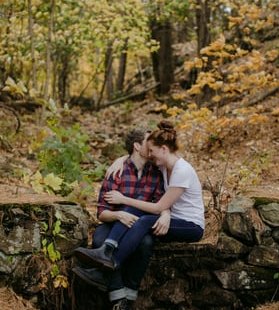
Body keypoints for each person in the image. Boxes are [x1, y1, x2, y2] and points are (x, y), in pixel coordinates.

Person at [74, 120, 205, 282]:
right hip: (171, 219)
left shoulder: (182, 170)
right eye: (148, 150)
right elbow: (136, 157)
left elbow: (158, 207)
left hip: (190, 225)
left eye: (152, 151)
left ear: (163, 149)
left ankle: (111, 265)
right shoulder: (164, 166)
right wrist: (121, 159)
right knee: (134, 209)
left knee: (142, 221)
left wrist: (123, 199)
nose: (150, 154)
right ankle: (106, 250)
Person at [73, 127, 169, 310]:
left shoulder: (156, 172)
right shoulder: (117, 171)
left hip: (140, 226)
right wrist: (119, 216)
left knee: (145, 243)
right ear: (137, 146)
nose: (152, 146)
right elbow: (101, 213)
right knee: (99, 238)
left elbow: (163, 200)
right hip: (112, 225)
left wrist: (166, 213)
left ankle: (121, 308)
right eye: (148, 142)